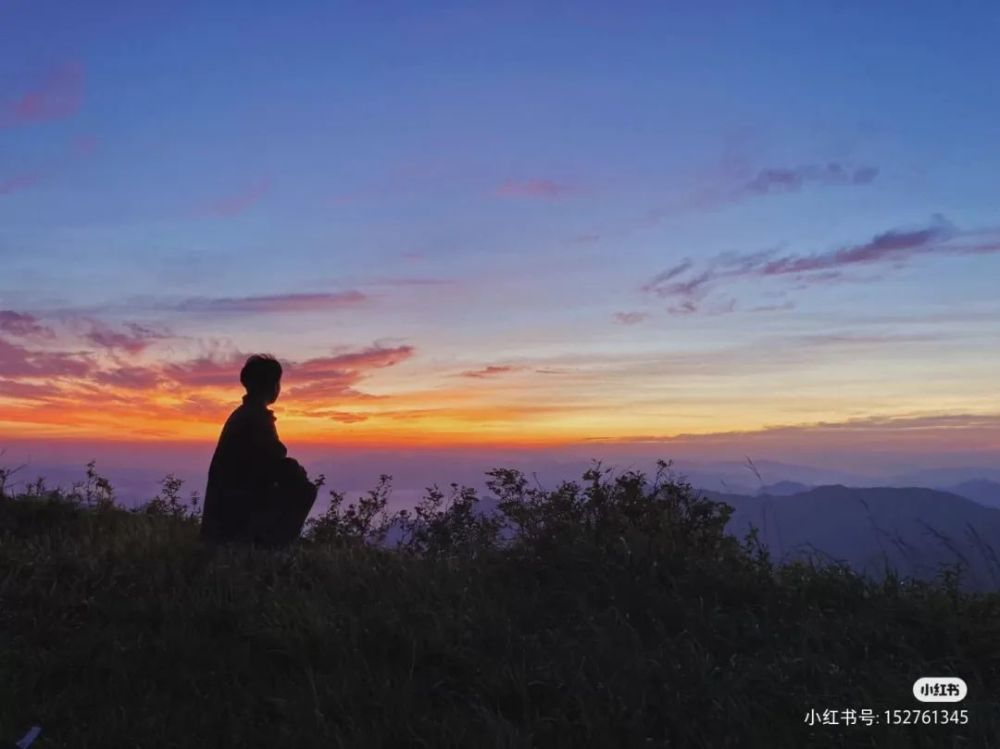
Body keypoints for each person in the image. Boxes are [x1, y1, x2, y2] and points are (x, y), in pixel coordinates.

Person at [200, 354, 318, 547]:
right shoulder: (256, 419)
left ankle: (267, 540)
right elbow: (277, 464)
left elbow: (270, 461)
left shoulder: (244, 414)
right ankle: (271, 546)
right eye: (278, 382)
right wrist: (297, 472)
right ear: (272, 385)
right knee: (305, 490)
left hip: (225, 510)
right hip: (235, 510)